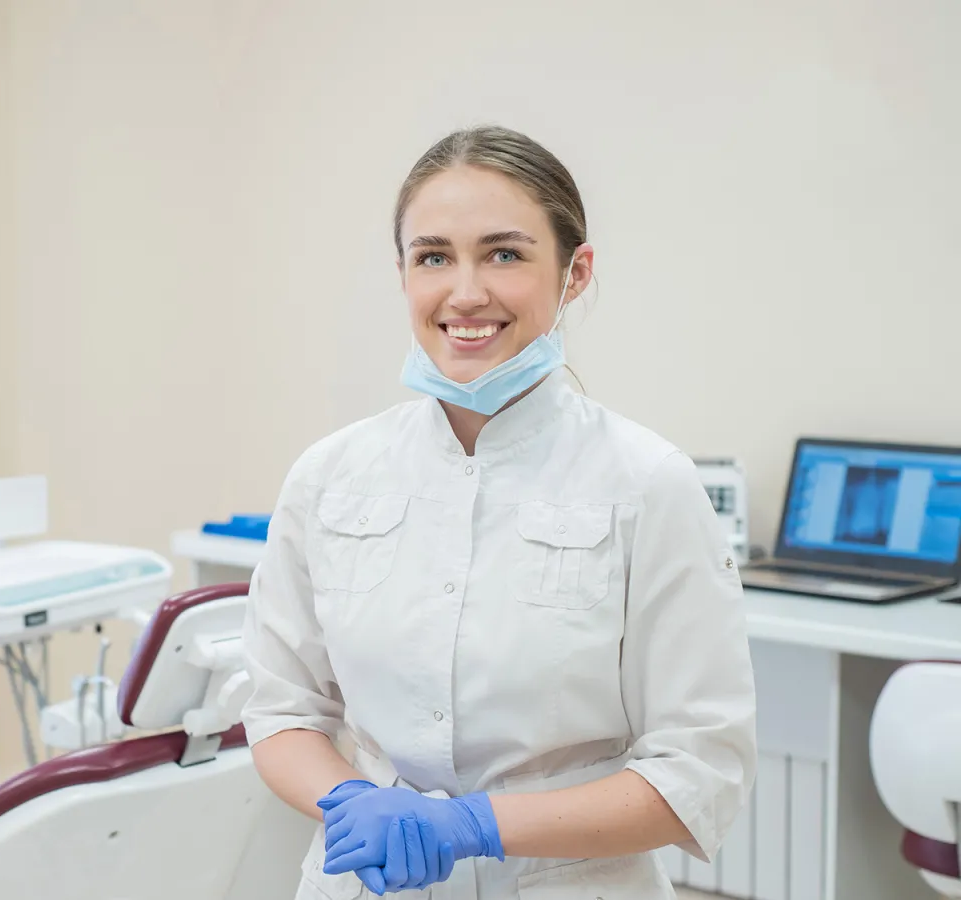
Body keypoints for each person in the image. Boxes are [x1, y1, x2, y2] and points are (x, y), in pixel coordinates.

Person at [241, 125, 757, 899]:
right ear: (403, 273)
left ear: (576, 273)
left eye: (505, 254)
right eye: (434, 257)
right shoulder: (330, 477)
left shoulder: (647, 484)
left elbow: (702, 767)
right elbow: (283, 709)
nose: (466, 292)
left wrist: (476, 825)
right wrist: (350, 800)